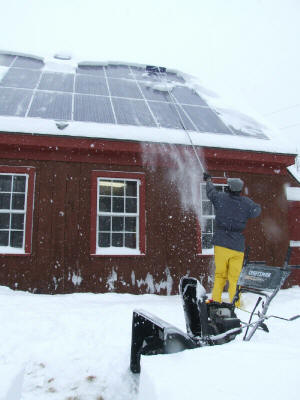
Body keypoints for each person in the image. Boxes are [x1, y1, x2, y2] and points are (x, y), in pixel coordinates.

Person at [203, 172, 261, 307]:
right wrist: (248, 206)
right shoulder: (246, 203)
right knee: (234, 278)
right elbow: (257, 211)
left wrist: (209, 180)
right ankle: (237, 304)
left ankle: (215, 301)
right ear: (240, 190)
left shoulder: (221, 198)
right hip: (237, 247)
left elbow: (211, 193)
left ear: (228, 188)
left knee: (220, 275)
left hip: (221, 244)